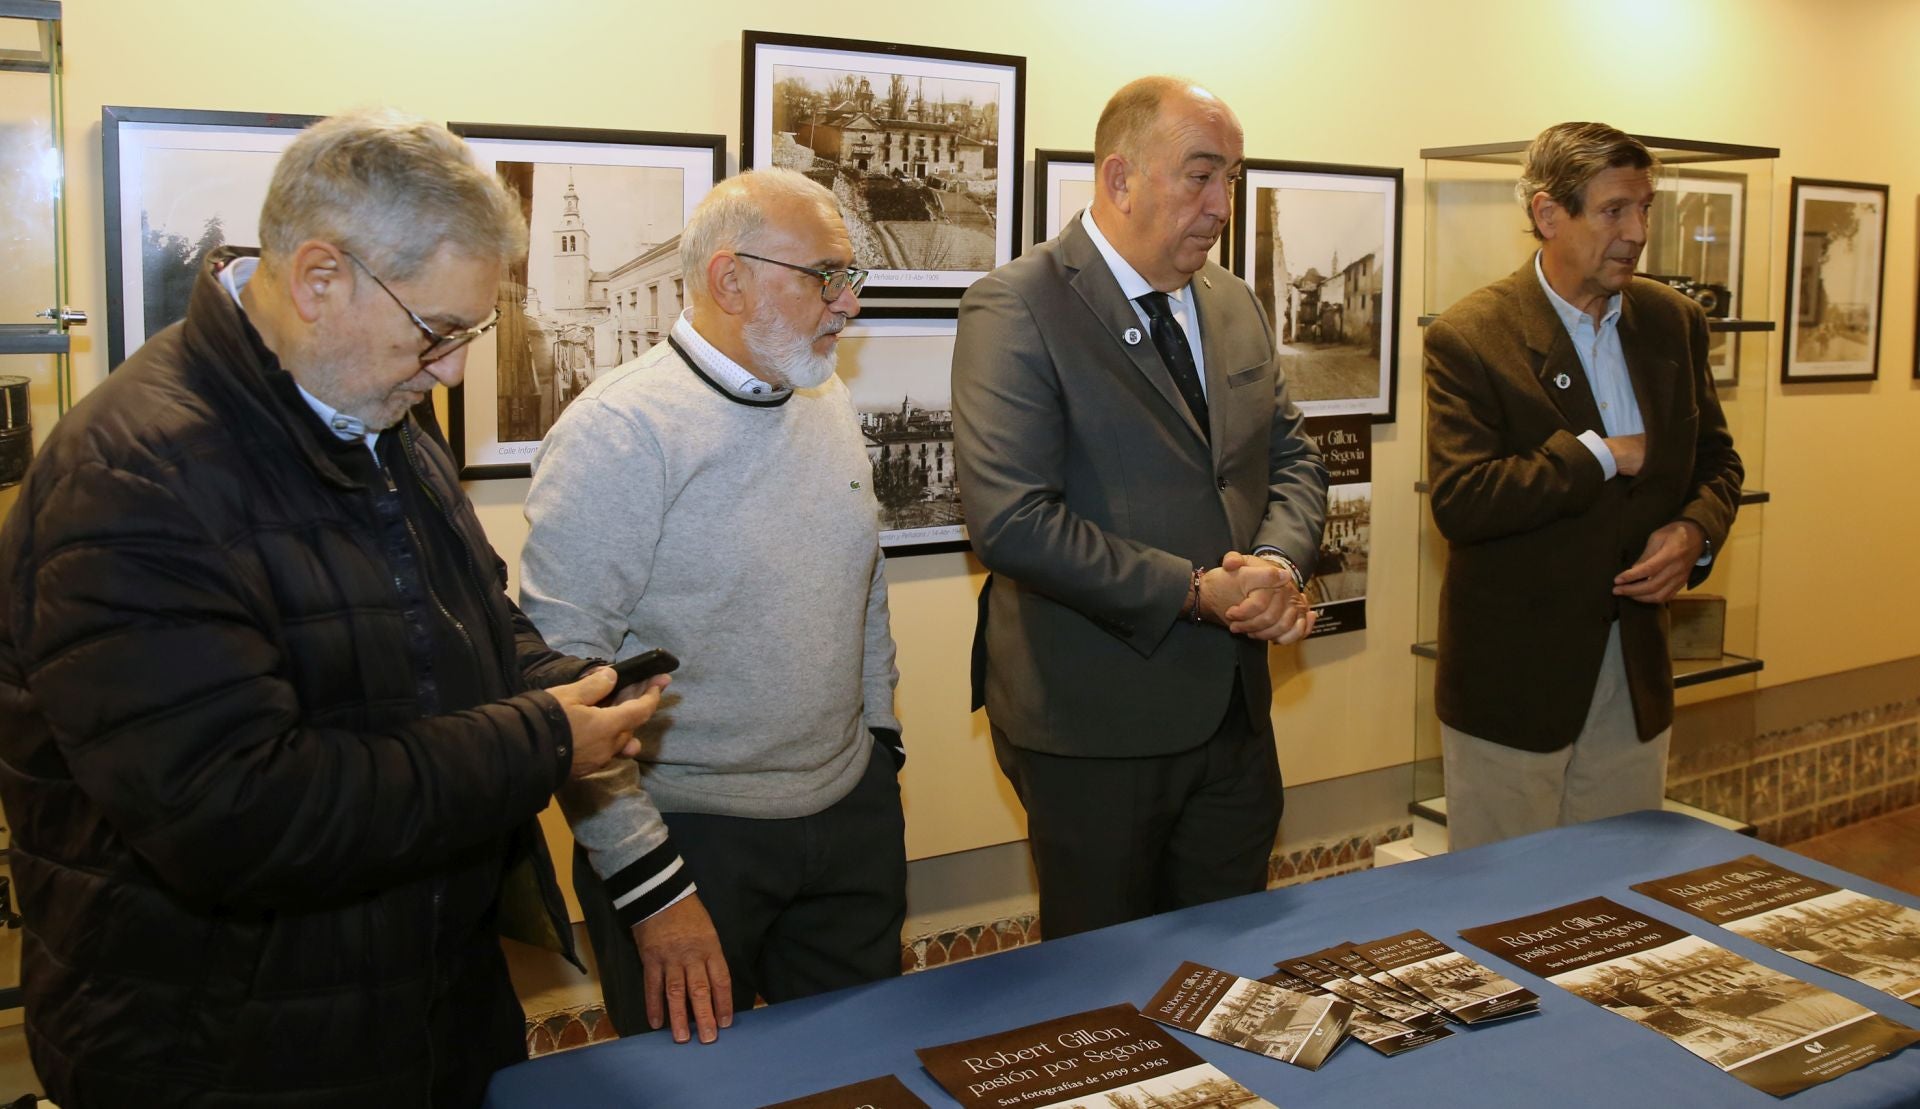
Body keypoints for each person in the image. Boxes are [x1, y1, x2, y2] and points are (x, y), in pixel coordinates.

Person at [0, 108, 667, 1107]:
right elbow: (240, 812)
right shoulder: (134, 477)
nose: (452, 368)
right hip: (224, 1054)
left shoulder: (365, 395)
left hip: (410, 1010)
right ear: (320, 280)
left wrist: (568, 686)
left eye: (470, 333)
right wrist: (539, 740)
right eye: (439, 333)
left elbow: (465, 611)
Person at [520, 167, 905, 1046]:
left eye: (853, 280)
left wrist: (882, 748)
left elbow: (863, 583)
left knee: (861, 1073)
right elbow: (561, 684)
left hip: (848, 815)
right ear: (731, 279)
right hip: (688, 840)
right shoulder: (618, 432)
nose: (848, 305)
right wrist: (653, 891)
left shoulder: (826, 396)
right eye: (827, 277)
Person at [951, 76, 1328, 939]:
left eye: (1232, 177)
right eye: (1200, 176)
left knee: (1233, 966)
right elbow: (1010, 519)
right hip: (1093, 721)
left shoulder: (1231, 302)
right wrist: (1196, 590)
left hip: (1233, 714)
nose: (1221, 204)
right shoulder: (1019, 305)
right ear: (1120, 179)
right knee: (1104, 993)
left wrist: (1276, 565)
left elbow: (1290, 454)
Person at [1424, 121, 1743, 850]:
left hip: (1633, 679)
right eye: (1613, 211)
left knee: (1617, 911)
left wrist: (1694, 530)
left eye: (1645, 208)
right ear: (1547, 214)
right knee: (1503, 913)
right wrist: (1596, 455)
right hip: (1514, 688)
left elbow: (1719, 465)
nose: (1636, 231)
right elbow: (1462, 500)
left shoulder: (1674, 322)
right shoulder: (1472, 336)